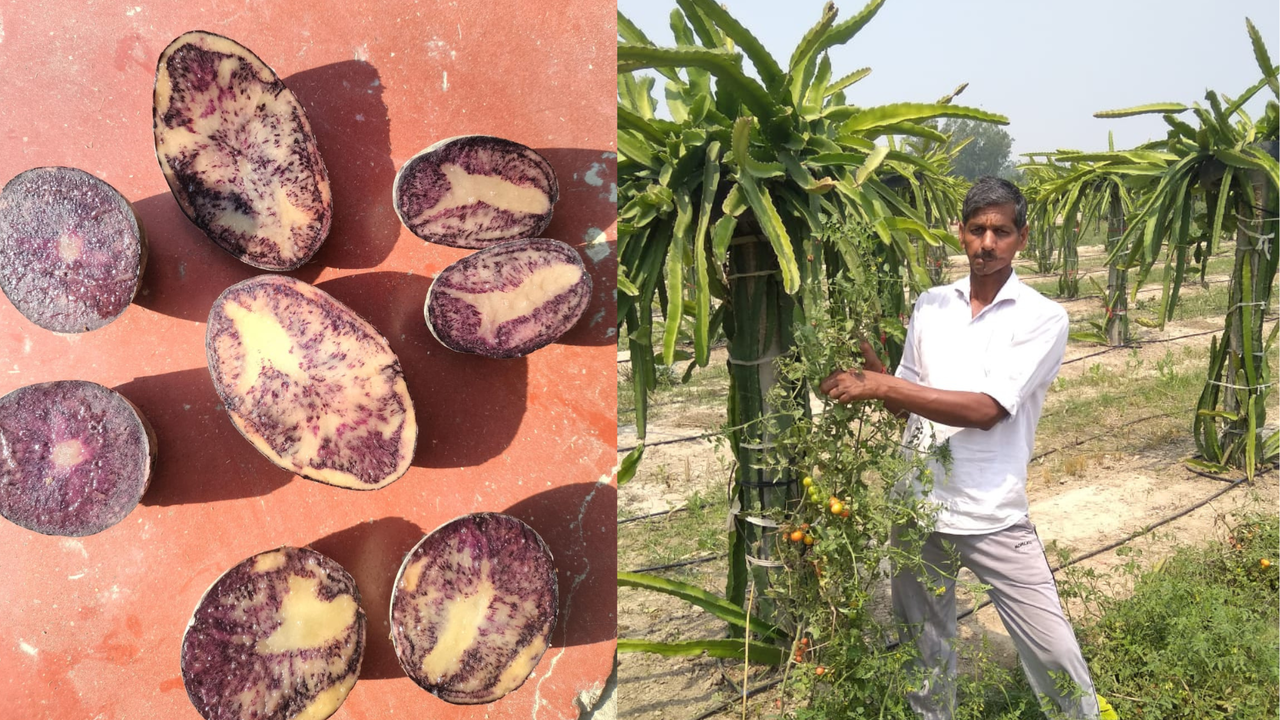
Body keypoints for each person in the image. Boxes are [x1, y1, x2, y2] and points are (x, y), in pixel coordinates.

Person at [818, 177, 1115, 719]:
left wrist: (883, 385)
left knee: (1052, 650)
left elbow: (986, 410)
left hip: (993, 511)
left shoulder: (1043, 317)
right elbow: (907, 404)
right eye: (977, 229)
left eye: (1001, 231)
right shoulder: (931, 306)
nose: (987, 242)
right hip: (917, 506)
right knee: (924, 648)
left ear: (1022, 237)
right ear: (960, 232)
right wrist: (868, 371)